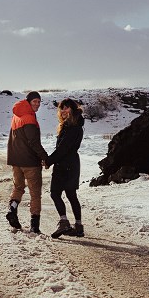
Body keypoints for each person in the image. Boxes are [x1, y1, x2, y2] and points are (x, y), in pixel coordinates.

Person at [6, 91, 49, 233]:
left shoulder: (16, 116)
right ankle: (34, 226)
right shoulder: (29, 117)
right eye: (34, 101)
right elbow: (33, 142)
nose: (37, 104)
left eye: (39, 101)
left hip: (16, 161)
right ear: (28, 102)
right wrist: (44, 157)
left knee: (18, 188)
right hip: (30, 162)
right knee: (35, 194)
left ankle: (12, 208)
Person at [45, 98, 85, 239]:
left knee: (55, 193)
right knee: (71, 195)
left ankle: (64, 222)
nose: (63, 111)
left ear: (73, 110)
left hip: (65, 165)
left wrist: (49, 160)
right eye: (61, 108)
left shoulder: (72, 128)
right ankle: (78, 227)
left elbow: (63, 149)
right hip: (72, 163)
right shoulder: (73, 125)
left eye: (66, 108)